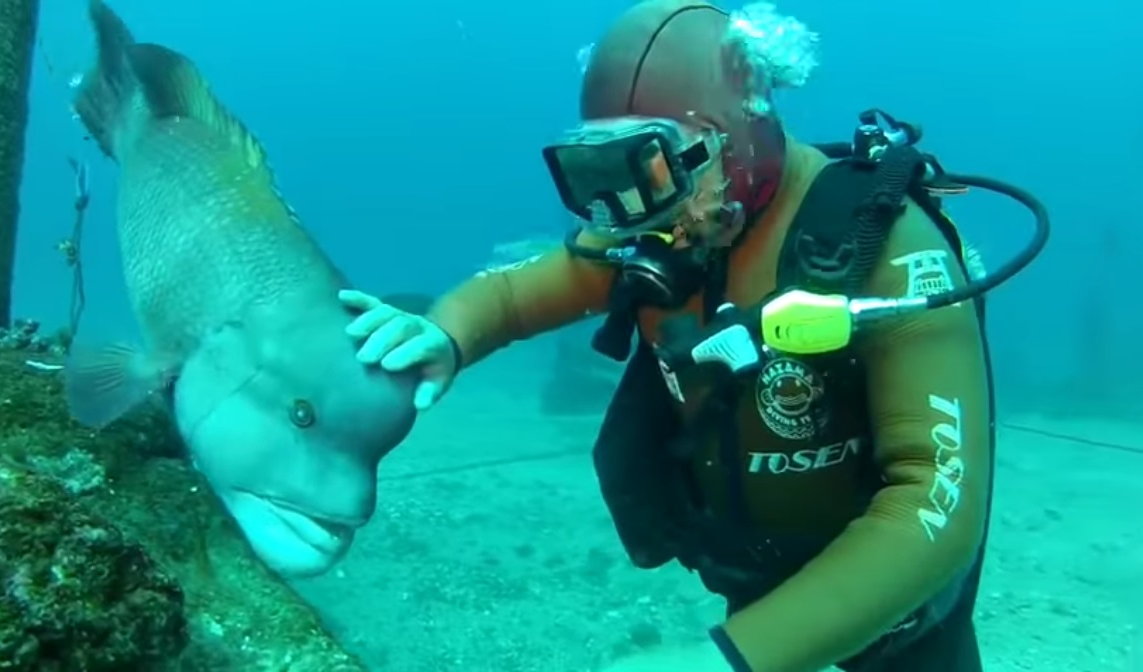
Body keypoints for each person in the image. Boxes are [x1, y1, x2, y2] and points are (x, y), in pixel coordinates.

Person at [338, 1, 1041, 670]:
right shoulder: (661, 230)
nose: (632, 213)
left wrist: (731, 660)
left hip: (896, 609)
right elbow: (515, 292)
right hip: (752, 568)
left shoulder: (886, 247)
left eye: (650, 169)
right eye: (604, 173)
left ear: (729, 139)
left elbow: (935, 502)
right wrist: (443, 333)